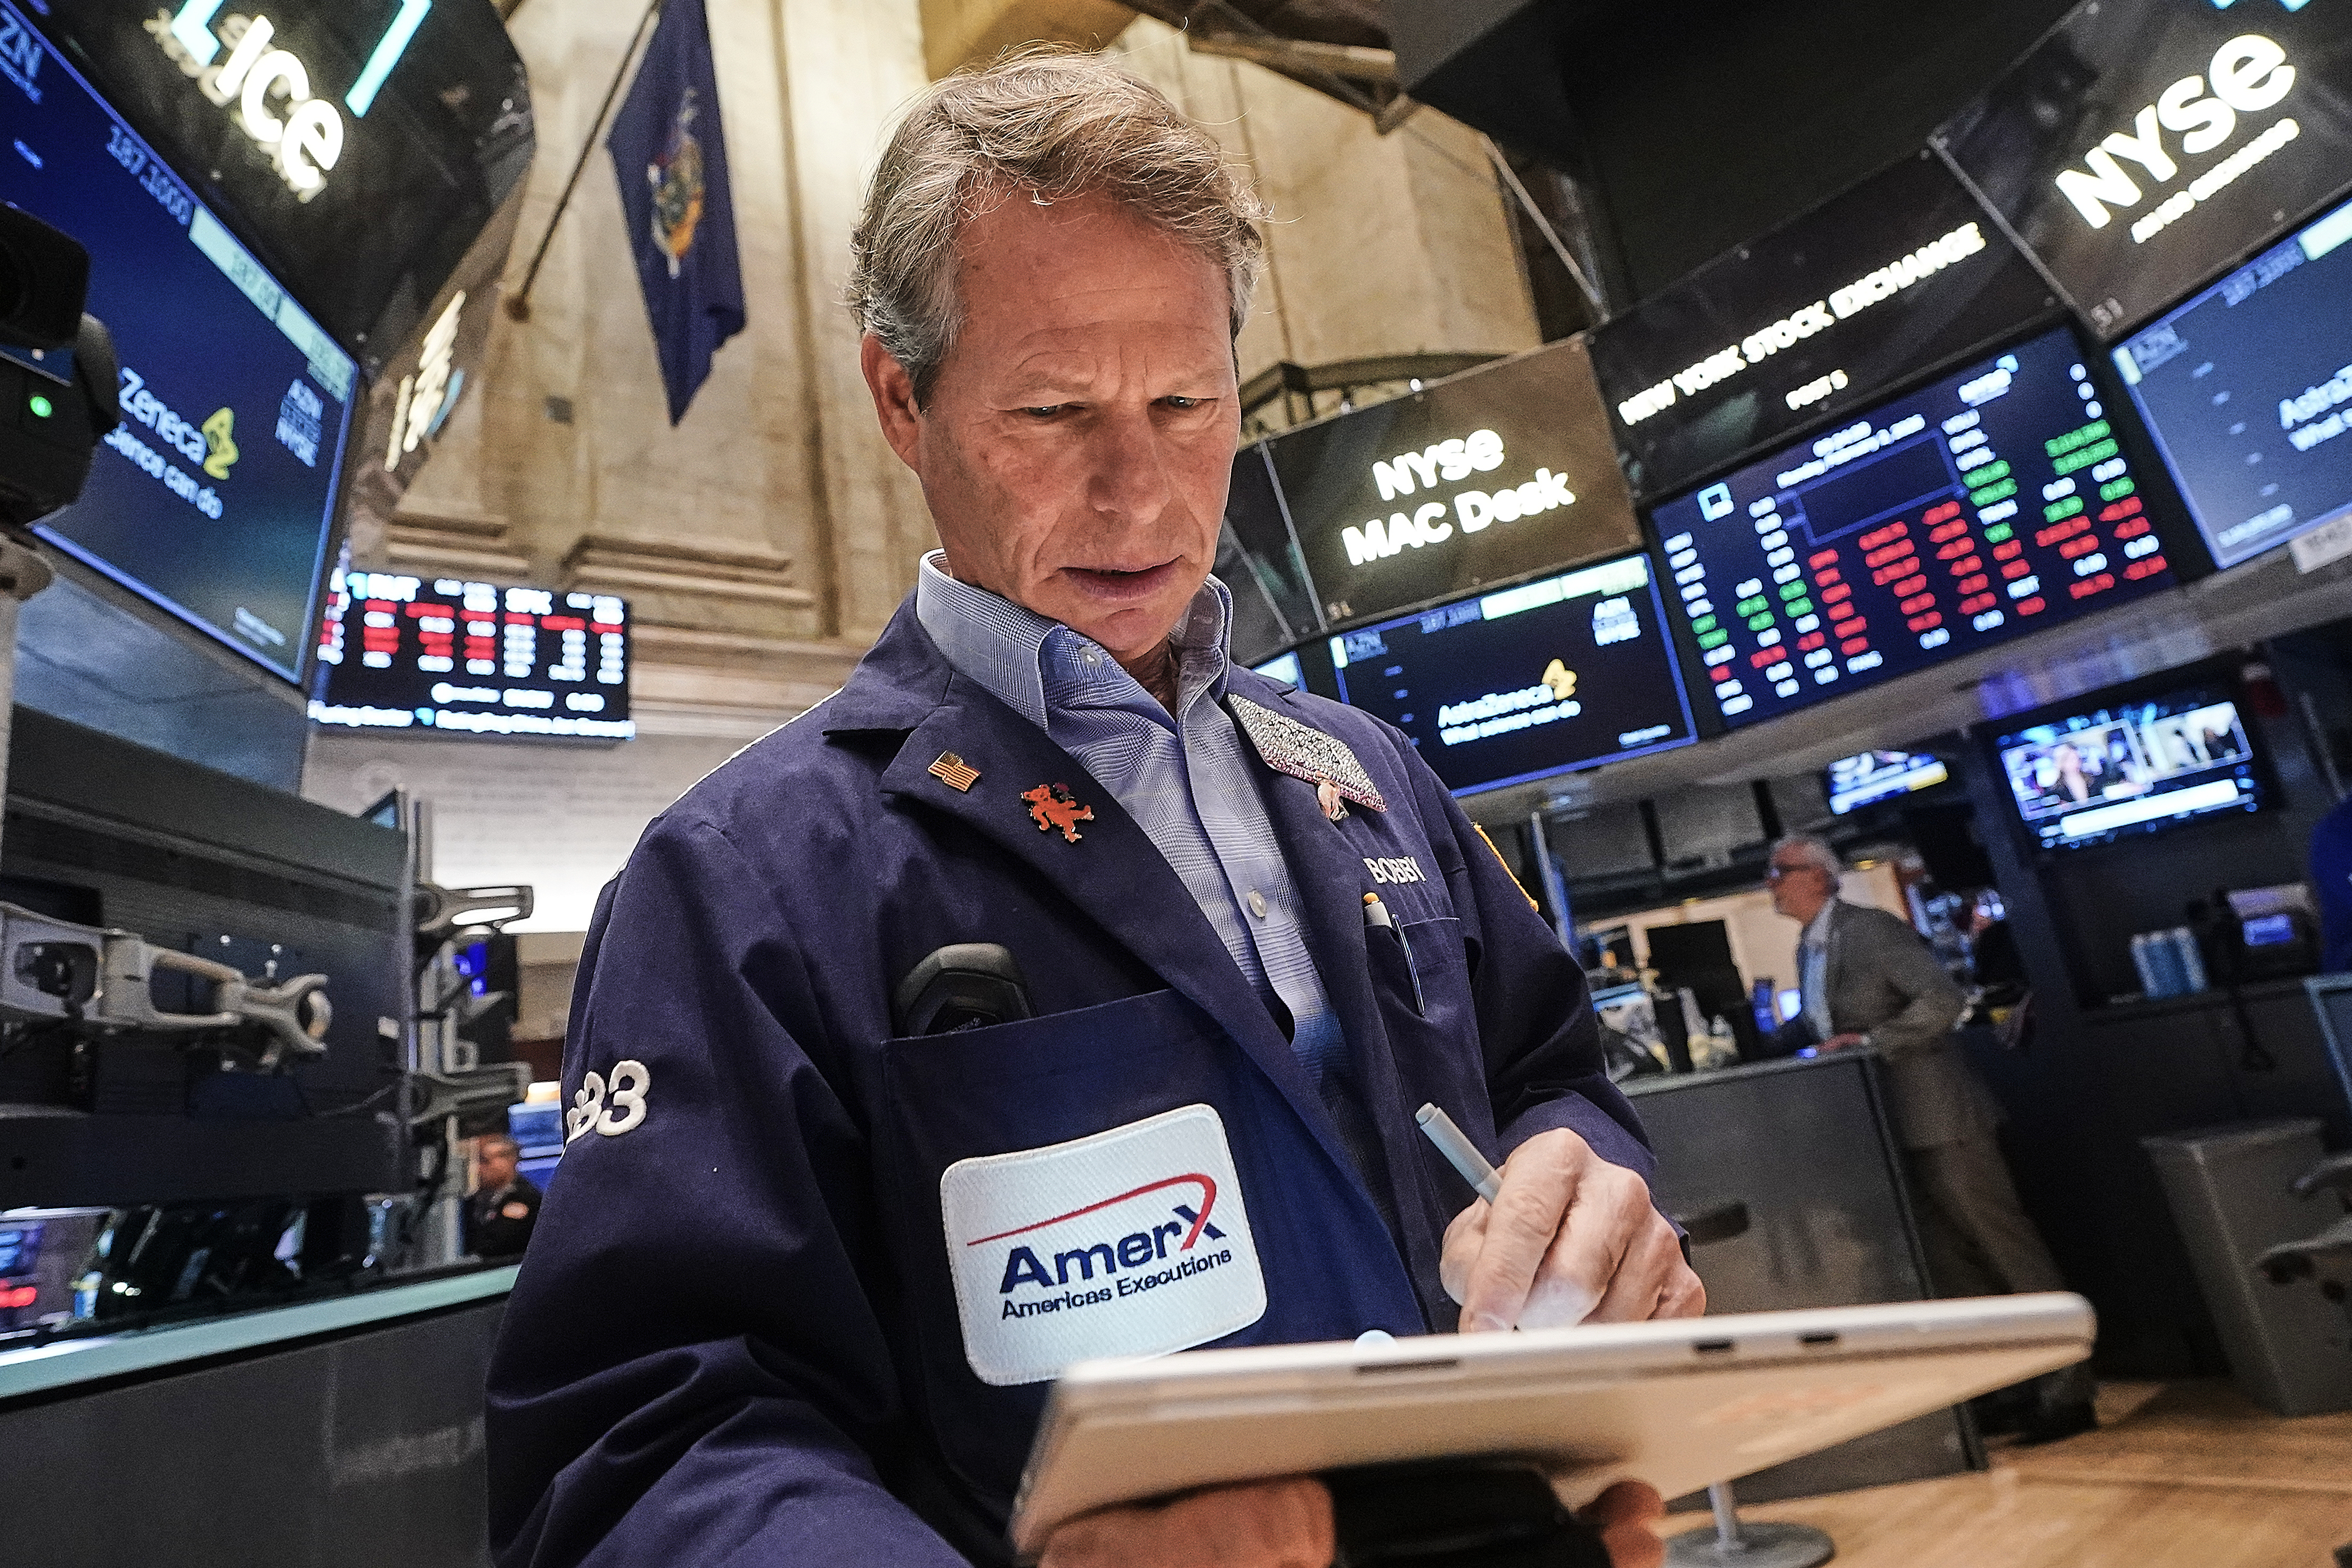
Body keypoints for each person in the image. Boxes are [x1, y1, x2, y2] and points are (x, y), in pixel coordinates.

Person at [486, 51, 1700, 1568]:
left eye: (1186, 402)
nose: (1139, 491)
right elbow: (651, 1443)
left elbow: (1551, 1078)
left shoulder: (1370, 779)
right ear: (900, 401)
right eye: (1055, 411)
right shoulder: (741, 878)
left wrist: (1595, 1192)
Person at [1765, 834, 2094, 1441]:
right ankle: (2012, 1389)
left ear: (1817, 876)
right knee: (1952, 1266)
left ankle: (2069, 1392)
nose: (1771, 884)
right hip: (1890, 1128)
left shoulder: (1871, 930)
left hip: (1944, 1118)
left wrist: (1871, 1043)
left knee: (2005, 1248)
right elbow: (1820, 1023)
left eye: (1779, 872)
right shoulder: (1812, 948)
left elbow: (1943, 1000)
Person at [464, 1133, 540, 1260]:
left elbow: (499, 1244)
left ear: (508, 1161)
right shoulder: (478, 1197)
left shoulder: (525, 1199)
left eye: (485, 1161)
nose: (479, 1169)